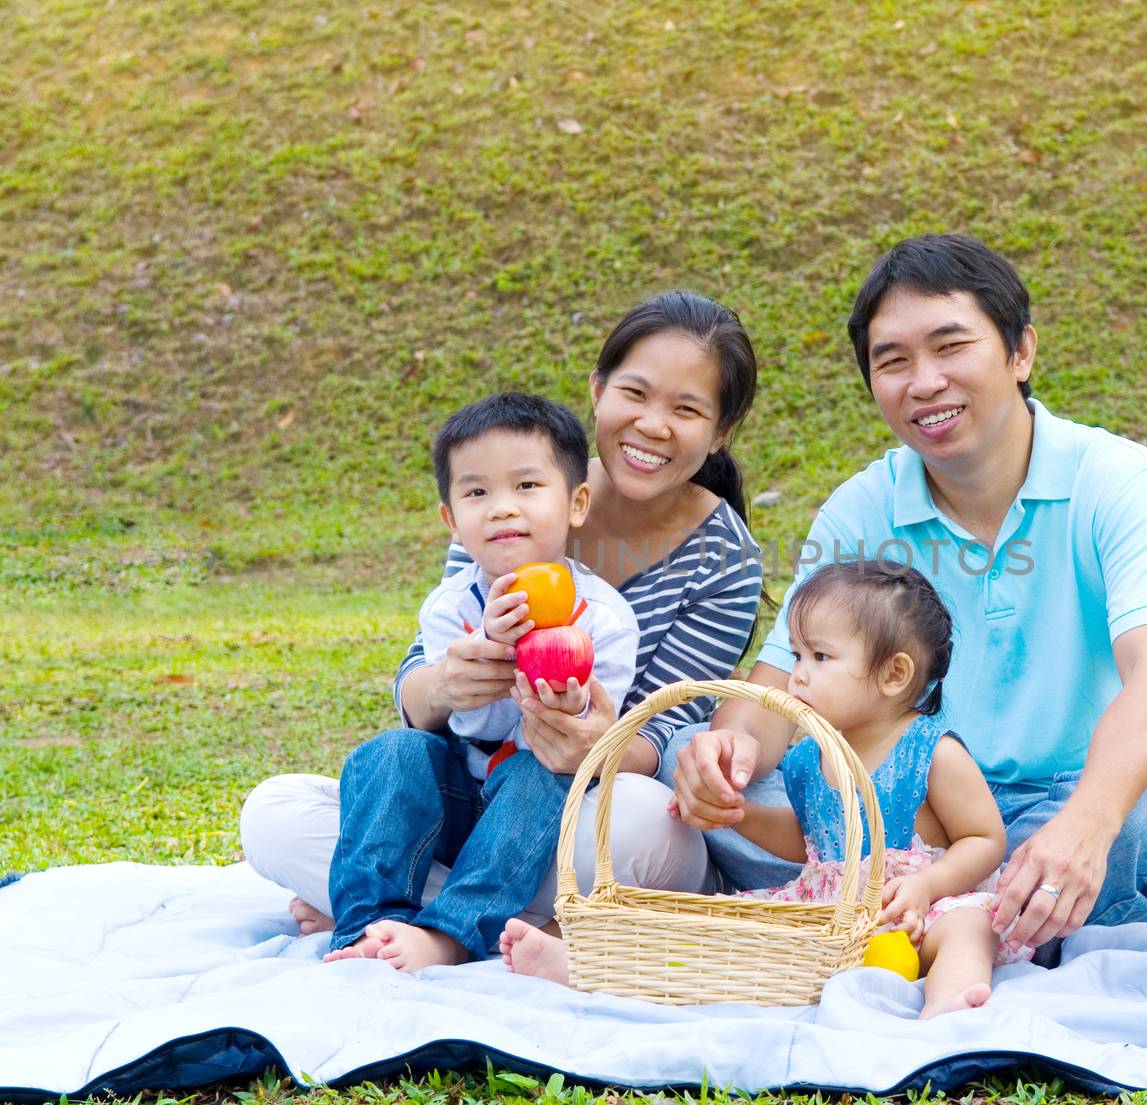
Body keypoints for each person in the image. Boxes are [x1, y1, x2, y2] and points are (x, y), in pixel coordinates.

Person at [668, 235, 1147, 960]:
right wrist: (724, 757)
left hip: (1066, 808)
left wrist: (1088, 821)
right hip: (914, 825)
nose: (924, 382)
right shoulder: (862, 509)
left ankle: (921, 918)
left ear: (1020, 352)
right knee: (698, 757)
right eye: (893, 361)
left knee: (1140, 821)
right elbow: (773, 693)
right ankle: (962, 926)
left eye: (950, 346)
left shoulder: (1118, 480)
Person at [240, 292, 765, 939]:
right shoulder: (507, 492)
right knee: (274, 811)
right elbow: (421, 683)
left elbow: (670, 723)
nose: (653, 425)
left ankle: (398, 898)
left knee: (648, 826)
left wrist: (594, 742)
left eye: (686, 408)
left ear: (720, 430)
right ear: (598, 390)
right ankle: (478, 914)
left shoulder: (723, 559)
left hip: (583, 799)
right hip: (469, 795)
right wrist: (448, 684)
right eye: (636, 392)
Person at [503, 560, 1028, 1018]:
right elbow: (807, 838)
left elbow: (985, 840)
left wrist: (929, 887)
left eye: (819, 658)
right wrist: (743, 816)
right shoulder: (808, 757)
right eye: (796, 656)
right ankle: (589, 963)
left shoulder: (931, 751)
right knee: (732, 936)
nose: (796, 677)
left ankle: (951, 998)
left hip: (915, 911)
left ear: (893, 675)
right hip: (828, 911)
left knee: (967, 927)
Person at [323, 392, 639, 969]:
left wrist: (565, 713)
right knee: (392, 752)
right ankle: (366, 924)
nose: (501, 509)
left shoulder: (605, 618)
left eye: (526, 487)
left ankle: (447, 934)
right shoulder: (450, 608)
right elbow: (466, 723)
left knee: (538, 773)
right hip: (454, 800)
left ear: (576, 503)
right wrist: (487, 654)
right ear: (450, 519)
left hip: (532, 817)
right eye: (476, 493)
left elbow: (588, 741)